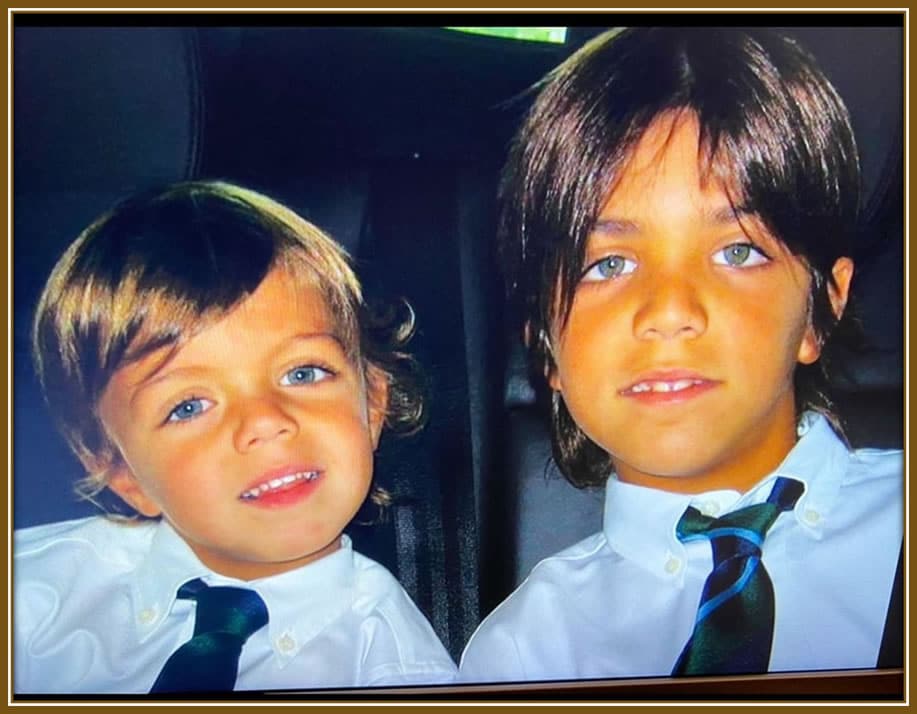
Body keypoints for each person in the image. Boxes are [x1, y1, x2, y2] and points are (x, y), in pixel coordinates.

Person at [459, 27, 903, 682]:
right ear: (545, 344)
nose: (668, 311)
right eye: (606, 264)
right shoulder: (524, 653)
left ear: (821, 307)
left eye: (737, 252)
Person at [14, 180, 457, 694]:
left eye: (303, 373)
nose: (265, 422)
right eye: (189, 406)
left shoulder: (394, 671)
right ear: (120, 471)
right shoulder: (29, 598)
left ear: (373, 402)